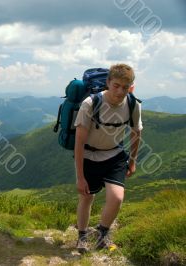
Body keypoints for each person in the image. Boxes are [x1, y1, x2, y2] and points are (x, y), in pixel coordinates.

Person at [74, 64, 142, 253]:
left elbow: (136, 133)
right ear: (108, 83)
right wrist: (80, 177)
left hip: (115, 154)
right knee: (87, 197)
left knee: (117, 197)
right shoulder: (90, 103)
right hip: (89, 155)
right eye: (116, 85)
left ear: (131, 87)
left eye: (125, 87)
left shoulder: (133, 104)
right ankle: (82, 236)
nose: (120, 91)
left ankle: (102, 233)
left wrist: (132, 161)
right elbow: (78, 143)